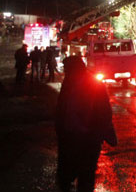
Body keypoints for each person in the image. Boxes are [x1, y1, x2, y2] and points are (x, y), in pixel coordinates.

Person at [55, 56, 117, 192]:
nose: (65, 72)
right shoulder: (69, 82)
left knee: (84, 176)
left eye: (67, 69)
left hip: (87, 139)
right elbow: (62, 107)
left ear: (74, 69)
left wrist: (96, 133)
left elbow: (104, 111)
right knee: (68, 175)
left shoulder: (92, 84)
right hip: (70, 137)